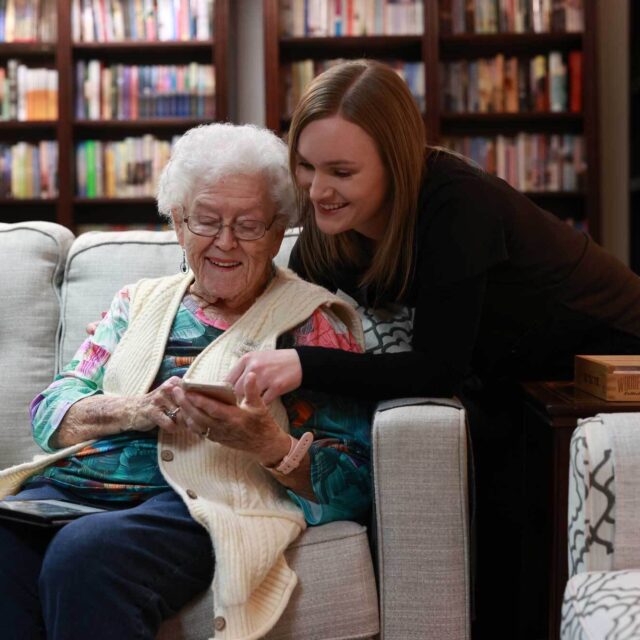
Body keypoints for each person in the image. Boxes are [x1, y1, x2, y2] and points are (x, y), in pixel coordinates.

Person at [225, 59, 640, 636]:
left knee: (522, 541)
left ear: (394, 165)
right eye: (306, 165)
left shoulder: (456, 204)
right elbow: (292, 308)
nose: (317, 190)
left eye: (341, 171)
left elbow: (436, 367)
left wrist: (304, 364)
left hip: (601, 355)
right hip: (506, 367)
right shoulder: (330, 224)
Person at [0, 123, 372, 640]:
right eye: (206, 220)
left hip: (199, 504)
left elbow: (355, 483)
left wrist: (267, 444)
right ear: (177, 222)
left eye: (248, 225)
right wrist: (137, 409)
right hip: (72, 491)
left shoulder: (311, 323)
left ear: (277, 231)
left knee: (84, 555)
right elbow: (49, 413)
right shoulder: (136, 302)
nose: (225, 242)